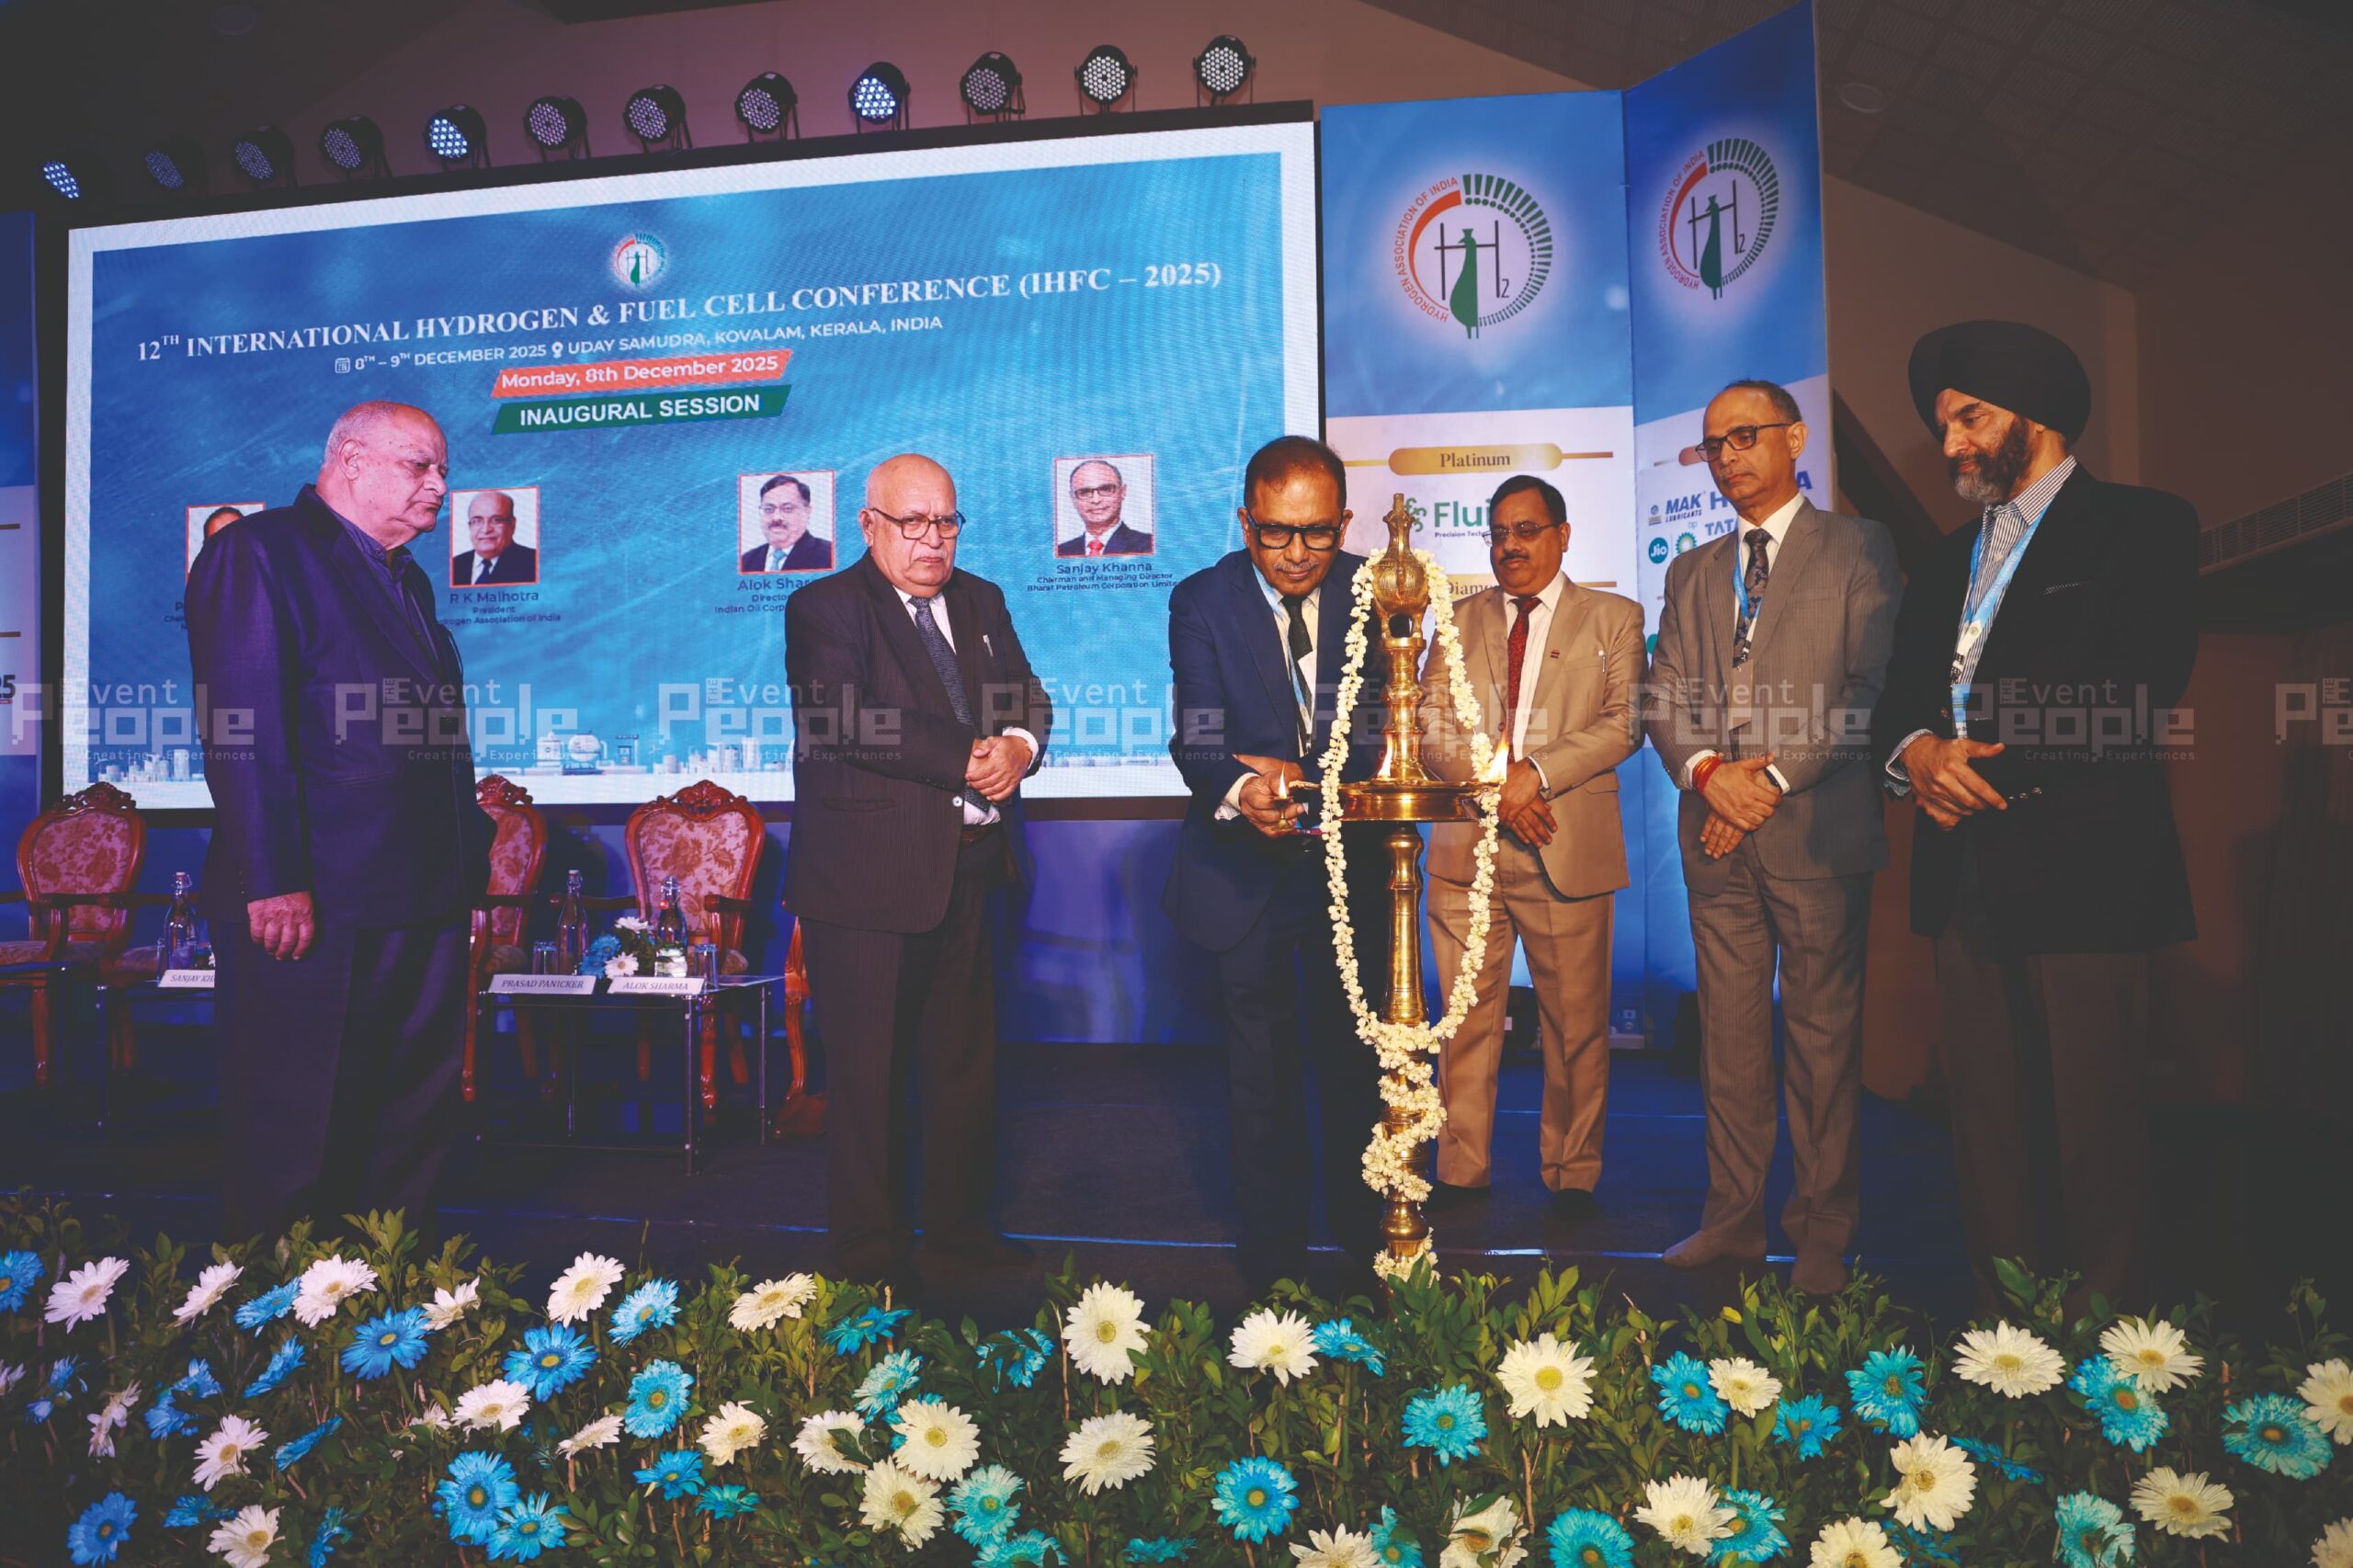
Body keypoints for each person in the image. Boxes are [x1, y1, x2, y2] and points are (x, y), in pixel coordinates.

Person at [1874, 320, 2198, 1310]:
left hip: (2087, 871)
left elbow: (2137, 691)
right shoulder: (1941, 562)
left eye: (1969, 417)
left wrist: (1975, 766)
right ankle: (2006, 1334)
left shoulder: (2143, 525)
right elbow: (1896, 701)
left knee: (2094, 1127)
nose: (1951, 443)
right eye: (1942, 426)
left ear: (2038, 413)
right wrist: (1917, 755)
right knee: (1987, 1128)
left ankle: (2110, 1343)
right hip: (1963, 876)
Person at [185, 400, 491, 1237]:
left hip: (422, 895)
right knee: (298, 1122)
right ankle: (283, 1301)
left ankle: (385, 1286)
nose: (440, 486)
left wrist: (464, 871)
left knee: (408, 1116)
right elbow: (241, 730)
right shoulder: (258, 552)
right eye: (420, 466)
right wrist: (272, 879)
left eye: (443, 469)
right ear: (351, 461)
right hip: (312, 900)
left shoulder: (408, 577)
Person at [1645, 380, 1903, 1294]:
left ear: (1794, 438)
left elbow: (1869, 692)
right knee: (1728, 1040)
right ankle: (1733, 1217)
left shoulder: (1859, 546)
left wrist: (1769, 781)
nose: (1727, 457)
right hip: (1716, 838)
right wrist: (1709, 774)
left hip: (1818, 834)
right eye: (1712, 443)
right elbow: (1663, 697)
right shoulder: (1691, 570)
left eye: (1745, 436)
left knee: (1823, 1044)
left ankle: (1823, 1229)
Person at [785, 453, 1050, 1290]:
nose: (933, 540)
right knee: (868, 1079)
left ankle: (959, 1237)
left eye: (946, 522)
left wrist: (1019, 747)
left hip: (972, 872)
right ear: (869, 526)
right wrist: (970, 756)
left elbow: (1026, 695)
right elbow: (842, 717)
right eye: (913, 523)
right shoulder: (824, 607)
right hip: (866, 885)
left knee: (964, 1072)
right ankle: (871, 1255)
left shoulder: (982, 600)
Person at [1163, 434, 1390, 1295]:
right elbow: (1199, 738)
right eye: (1276, 533)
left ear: (1345, 522)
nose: (1297, 554)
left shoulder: (1377, 591)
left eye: (1318, 532)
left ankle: (1369, 1242)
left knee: (1356, 1066)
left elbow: (1380, 727)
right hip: (1243, 873)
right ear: (1244, 520)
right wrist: (1242, 788)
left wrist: (1305, 778)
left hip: (1350, 870)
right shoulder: (1202, 600)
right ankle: (1271, 1264)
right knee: (1259, 1076)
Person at [1417, 474, 1644, 1225]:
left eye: (1526, 530)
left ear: (1563, 535)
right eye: (1498, 533)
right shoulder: (1456, 620)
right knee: (1464, 1024)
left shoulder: (1614, 618)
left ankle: (1573, 1171)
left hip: (1563, 845)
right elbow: (1429, 725)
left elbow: (1624, 723)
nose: (1509, 546)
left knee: (1575, 1028)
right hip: (1468, 851)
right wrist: (1496, 784)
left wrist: (1536, 776)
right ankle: (1461, 1167)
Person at [1055, 460, 1154, 557]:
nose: (1096, 500)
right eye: (1084, 492)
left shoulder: (1150, 546)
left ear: (1122, 492)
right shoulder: (1061, 551)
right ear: (1073, 498)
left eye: (1106, 489)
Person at [741, 473, 833, 573]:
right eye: (768, 509)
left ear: (806, 512)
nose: (776, 517)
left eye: (787, 509)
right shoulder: (746, 561)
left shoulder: (830, 556)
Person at [449, 491, 539, 585]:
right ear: (470, 526)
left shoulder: (535, 563)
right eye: (477, 521)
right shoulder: (454, 565)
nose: (486, 530)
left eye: (496, 520)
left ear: (512, 524)